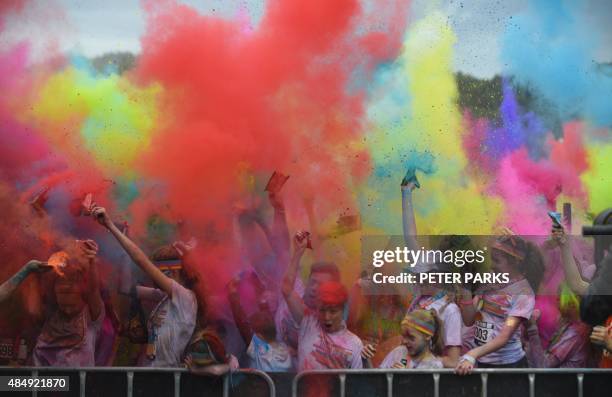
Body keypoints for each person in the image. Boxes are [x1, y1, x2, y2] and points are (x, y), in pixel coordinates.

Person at [90, 205, 197, 367]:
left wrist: (110, 225)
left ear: (181, 271)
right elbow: (126, 288)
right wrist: (125, 243)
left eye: (169, 272)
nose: (163, 277)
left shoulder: (185, 297)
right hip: (148, 375)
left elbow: (141, 261)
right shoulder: (163, 297)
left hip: (166, 380)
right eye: (161, 272)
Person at [455, 235, 544, 374]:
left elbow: (504, 337)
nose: (492, 265)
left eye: (497, 261)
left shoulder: (524, 293)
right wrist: (465, 287)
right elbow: (468, 319)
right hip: (481, 360)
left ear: (515, 262)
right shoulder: (491, 281)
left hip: (508, 367)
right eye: (492, 260)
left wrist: (472, 354)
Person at [282, 232, 363, 370]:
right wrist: (298, 252)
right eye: (322, 310)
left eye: (332, 311)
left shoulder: (354, 343)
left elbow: (355, 385)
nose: (326, 317)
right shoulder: (308, 321)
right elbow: (286, 289)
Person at [33, 240, 105, 366]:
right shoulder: (51, 317)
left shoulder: (90, 315)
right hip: (45, 383)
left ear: (82, 290)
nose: (66, 287)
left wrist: (92, 260)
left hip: (77, 383)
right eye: (60, 282)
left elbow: (94, 289)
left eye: (72, 282)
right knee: (7, 386)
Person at [227, 276, 293, 371]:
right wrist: (260, 291)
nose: (267, 317)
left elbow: (242, 323)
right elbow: (266, 316)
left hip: (260, 385)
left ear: (259, 336)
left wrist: (232, 293)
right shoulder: (284, 349)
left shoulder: (259, 349)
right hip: (281, 384)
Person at [525, 284, 590, 368]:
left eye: (560, 297)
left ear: (573, 301)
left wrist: (532, 328)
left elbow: (543, 366)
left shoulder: (575, 333)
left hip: (563, 380)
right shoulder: (573, 325)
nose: (557, 300)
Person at [378, 309, 444, 369]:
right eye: (404, 336)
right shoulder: (399, 353)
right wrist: (367, 360)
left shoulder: (434, 366)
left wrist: (405, 378)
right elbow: (378, 379)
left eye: (411, 337)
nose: (404, 341)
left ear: (427, 336)